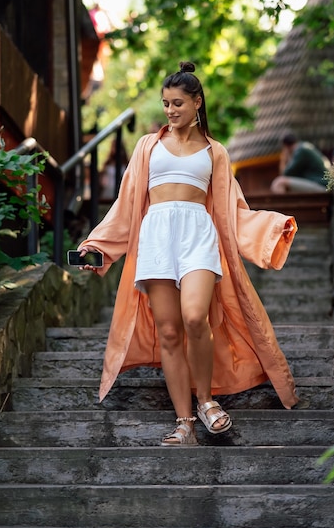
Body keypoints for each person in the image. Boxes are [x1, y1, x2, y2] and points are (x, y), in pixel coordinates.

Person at [77, 61, 299, 447]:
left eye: (177, 103)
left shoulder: (216, 152)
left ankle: (207, 402)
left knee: (196, 317)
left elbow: (233, 209)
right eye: (165, 103)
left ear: (197, 103)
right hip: (156, 237)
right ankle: (184, 423)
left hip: (198, 234)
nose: (170, 110)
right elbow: (126, 204)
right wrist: (96, 246)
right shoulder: (148, 146)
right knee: (168, 329)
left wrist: (270, 228)